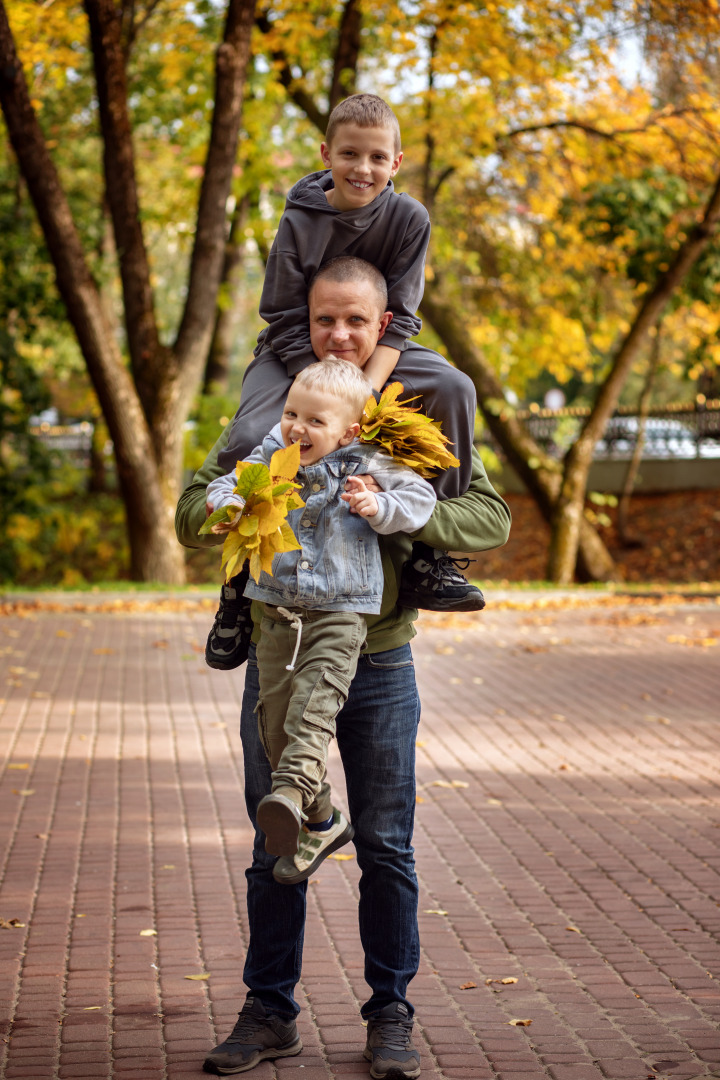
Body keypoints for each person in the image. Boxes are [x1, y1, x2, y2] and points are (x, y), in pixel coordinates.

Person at [175, 259, 512, 1080]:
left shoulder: (410, 421)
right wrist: (250, 496)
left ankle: (390, 1012)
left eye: (357, 321)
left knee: (388, 847)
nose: (341, 334)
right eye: (327, 319)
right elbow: (192, 507)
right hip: (282, 648)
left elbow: (489, 514)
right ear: (308, 320)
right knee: (274, 833)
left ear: (384, 323)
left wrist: (397, 508)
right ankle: (269, 1011)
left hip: (381, 656)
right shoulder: (276, 412)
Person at [204, 93, 484, 674]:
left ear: (397, 162)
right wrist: (322, 385)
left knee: (456, 387)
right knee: (262, 426)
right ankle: (237, 584)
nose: (363, 168)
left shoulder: (410, 219)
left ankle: (432, 559)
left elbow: (402, 318)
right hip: (293, 350)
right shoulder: (300, 218)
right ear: (326, 153)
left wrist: (361, 389)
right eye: (350, 154)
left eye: (378, 157)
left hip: (380, 350)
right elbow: (282, 314)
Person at [205, 357, 437, 881]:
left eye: (314, 420)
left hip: (342, 609)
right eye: (291, 413)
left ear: (349, 430)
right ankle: (323, 817)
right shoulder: (274, 452)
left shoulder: (370, 461)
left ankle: (288, 793)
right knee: (274, 718)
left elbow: (420, 500)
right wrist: (229, 507)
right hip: (276, 608)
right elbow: (228, 484)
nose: (296, 428)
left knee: (313, 704)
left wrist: (378, 507)